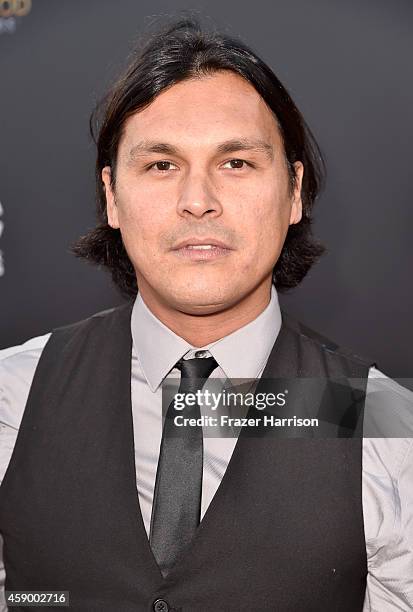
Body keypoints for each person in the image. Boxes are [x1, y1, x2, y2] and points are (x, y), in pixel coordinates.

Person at [0, 17, 412, 612]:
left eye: (236, 163)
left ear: (294, 192)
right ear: (112, 196)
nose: (198, 200)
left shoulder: (381, 421)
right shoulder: (14, 398)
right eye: (161, 165)